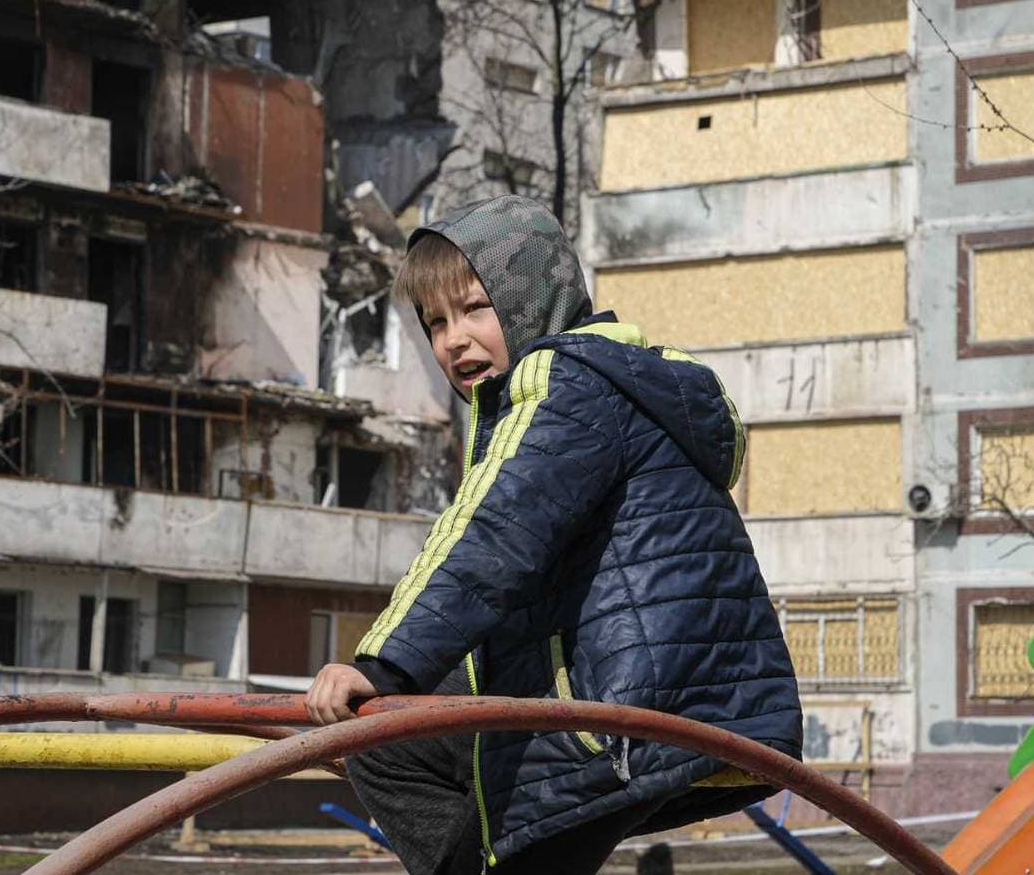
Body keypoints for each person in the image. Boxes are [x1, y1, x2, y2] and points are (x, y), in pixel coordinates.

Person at [306, 195, 801, 874]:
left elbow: (491, 537)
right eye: (435, 322)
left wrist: (381, 665)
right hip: (679, 699)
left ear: (530, 293)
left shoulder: (567, 383)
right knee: (392, 738)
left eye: (475, 308)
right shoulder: (611, 388)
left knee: (396, 729)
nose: (453, 339)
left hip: (625, 714)